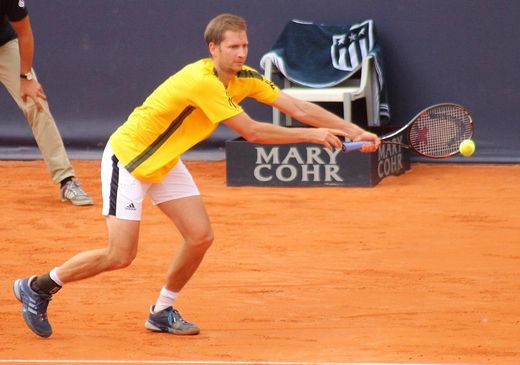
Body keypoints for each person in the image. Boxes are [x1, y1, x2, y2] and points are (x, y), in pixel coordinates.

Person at [13, 13, 380, 337]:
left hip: (166, 161)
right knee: (121, 254)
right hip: (128, 159)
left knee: (200, 236)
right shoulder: (202, 80)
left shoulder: (245, 77)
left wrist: (354, 130)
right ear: (213, 48)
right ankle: (40, 285)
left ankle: (161, 311)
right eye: (233, 46)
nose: (241, 53)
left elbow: (297, 105)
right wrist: (312, 135)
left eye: (245, 46)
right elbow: (251, 131)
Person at [0, 0, 93, 205]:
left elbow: (24, 32)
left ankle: (66, 181)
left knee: (36, 104)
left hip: (4, 47)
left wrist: (26, 78)